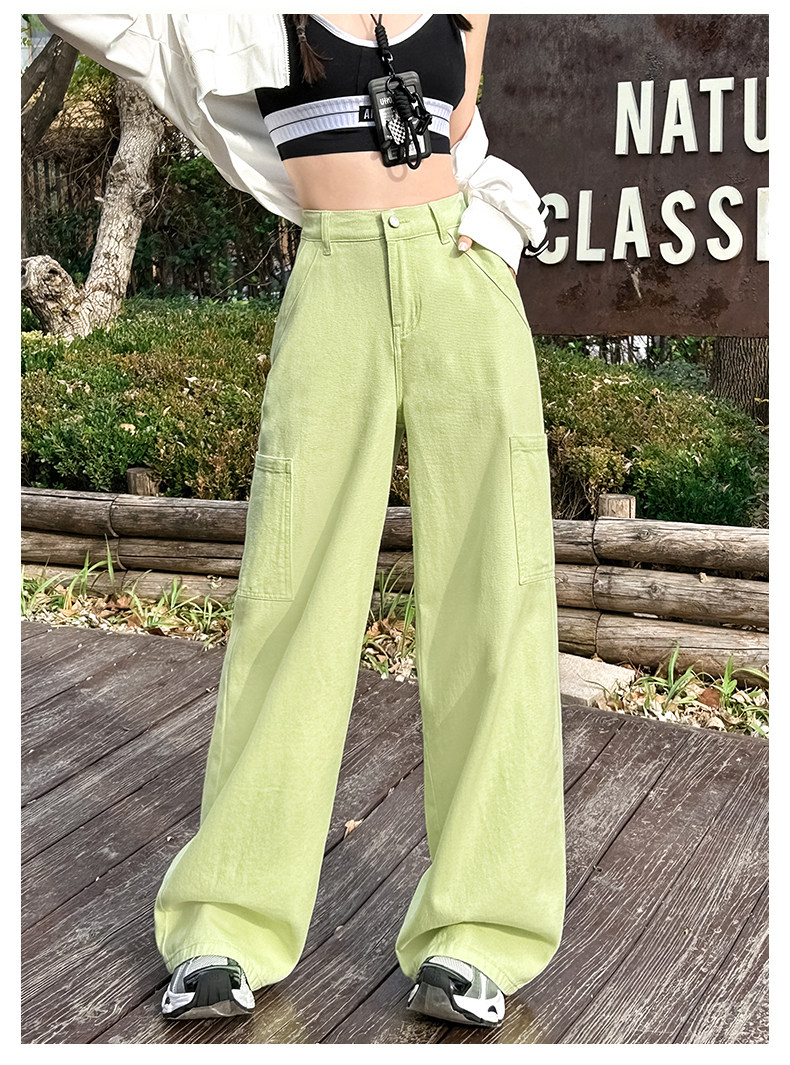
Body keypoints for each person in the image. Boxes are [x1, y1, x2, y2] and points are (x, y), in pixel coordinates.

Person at [37, 12, 566, 1031]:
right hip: (333, 283)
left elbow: (462, 132)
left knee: (496, 598)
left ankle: (480, 932)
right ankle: (226, 923)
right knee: (288, 603)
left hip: (462, 284)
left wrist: (500, 227)